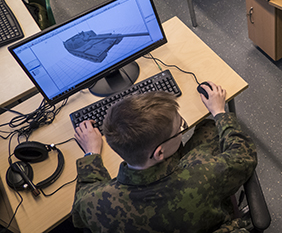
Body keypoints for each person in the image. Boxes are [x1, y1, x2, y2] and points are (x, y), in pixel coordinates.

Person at [72, 82, 257, 233]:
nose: (181, 129)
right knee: (210, 128)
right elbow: (243, 156)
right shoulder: (203, 173)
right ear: (159, 153)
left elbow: (80, 214)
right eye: (180, 129)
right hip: (206, 219)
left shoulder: (94, 202)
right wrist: (219, 112)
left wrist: (91, 154)